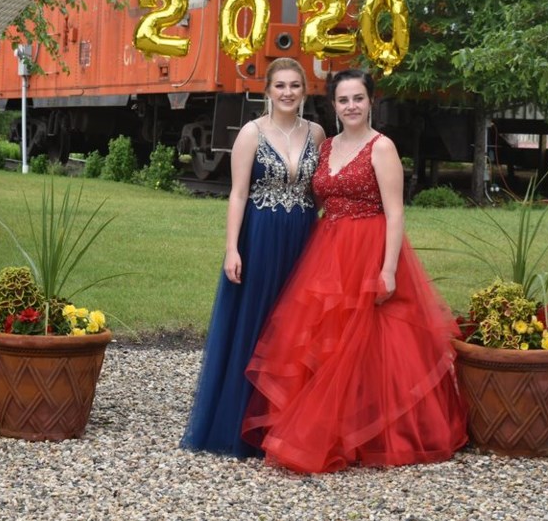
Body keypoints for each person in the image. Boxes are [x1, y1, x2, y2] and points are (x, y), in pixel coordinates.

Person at [242, 69, 467, 474]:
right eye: (343, 100)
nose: (351, 106)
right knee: (330, 342)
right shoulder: (326, 148)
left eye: (358, 98)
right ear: (334, 105)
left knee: (377, 343)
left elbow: (396, 212)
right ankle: (337, 428)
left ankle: (379, 434)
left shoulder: (382, 147)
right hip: (328, 249)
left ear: (371, 101)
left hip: (369, 247)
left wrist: (389, 268)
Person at [181, 57, 326, 457]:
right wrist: (232, 248)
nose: (288, 93)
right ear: (267, 91)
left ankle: (291, 421)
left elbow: (320, 190)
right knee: (257, 321)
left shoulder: (316, 134)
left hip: (303, 235)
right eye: (280, 86)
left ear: (304, 90)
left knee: (299, 326)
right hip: (260, 235)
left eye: (295, 85)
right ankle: (246, 425)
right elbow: (238, 194)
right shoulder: (251, 133)